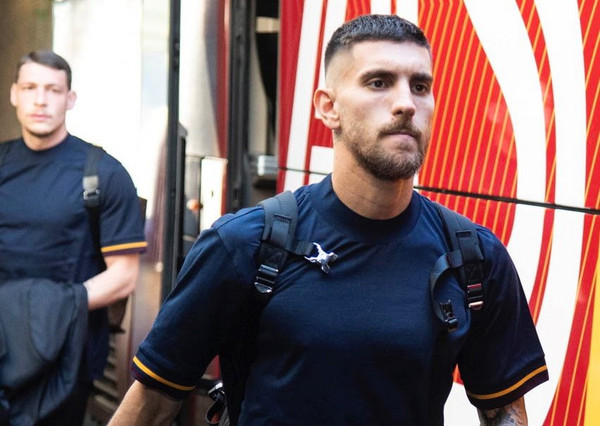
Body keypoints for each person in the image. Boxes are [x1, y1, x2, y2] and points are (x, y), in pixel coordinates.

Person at [109, 14, 548, 426]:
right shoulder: (244, 244)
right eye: (378, 82)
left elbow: (505, 412)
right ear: (328, 107)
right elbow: (152, 403)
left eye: (420, 86)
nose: (405, 104)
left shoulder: (474, 256)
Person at [0, 50, 147, 425]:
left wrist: (53, 307)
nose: (40, 100)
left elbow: (124, 276)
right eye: (30, 88)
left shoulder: (103, 174)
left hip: (65, 358)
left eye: (53, 90)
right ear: (14, 94)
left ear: (70, 99)